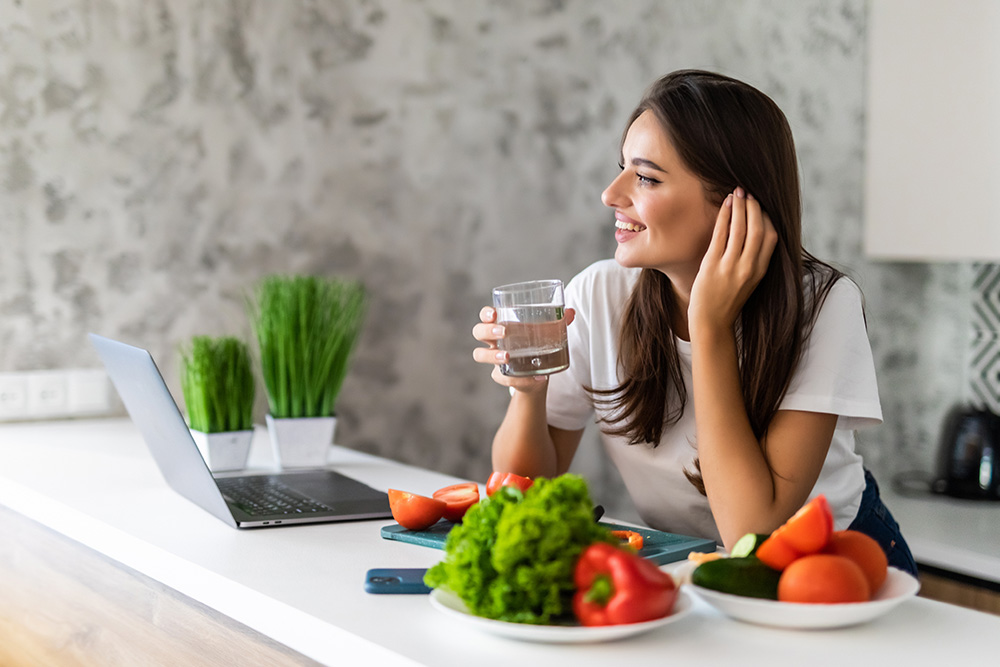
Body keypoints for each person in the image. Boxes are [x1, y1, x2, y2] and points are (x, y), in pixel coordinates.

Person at [472, 69, 917, 575]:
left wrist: (710, 327)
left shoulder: (821, 306)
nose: (610, 194)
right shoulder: (597, 295)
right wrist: (527, 394)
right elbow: (524, 495)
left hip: (829, 562)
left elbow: (755, 532)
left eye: (646, 177)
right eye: (623, 168)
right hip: (691, 565)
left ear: (735, 202)